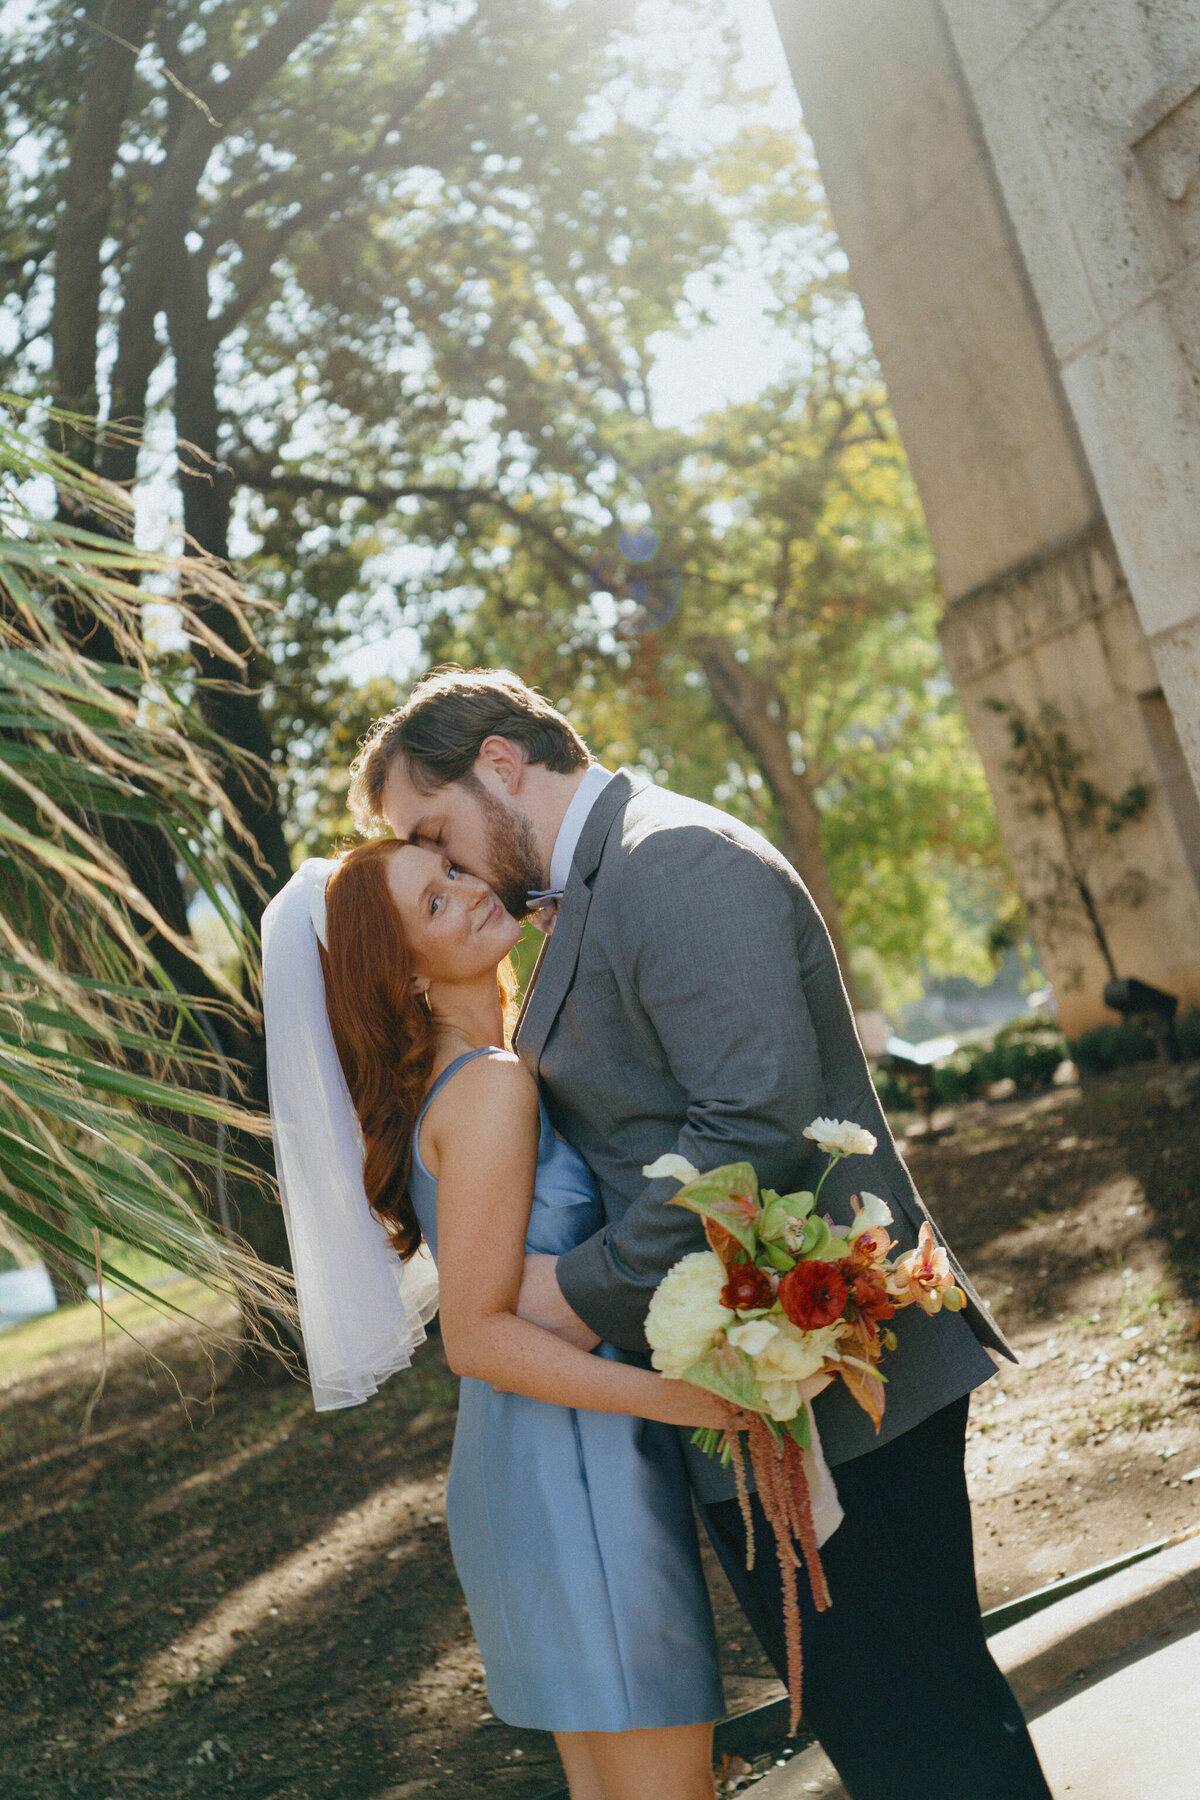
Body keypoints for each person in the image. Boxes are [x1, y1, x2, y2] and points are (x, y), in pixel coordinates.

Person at [346, 665, 1056, 1800]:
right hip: (762, 1393)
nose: (456, 868)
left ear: (499, 763)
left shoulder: (666, 860)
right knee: (902, 1738)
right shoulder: (591, 891)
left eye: (438, 833)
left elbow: (754, 1124)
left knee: (924, 1735)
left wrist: (574, 1293)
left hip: (839, 1392)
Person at [262, 840, 748, 1800]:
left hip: (537, 1460)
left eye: (452, 869)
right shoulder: (488, 1084)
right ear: (403, 972)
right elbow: (474, 1336)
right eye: (437, 902)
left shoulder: (483, 1069)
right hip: (576, 1472)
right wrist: (693, 1402)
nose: (475, 891)